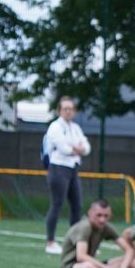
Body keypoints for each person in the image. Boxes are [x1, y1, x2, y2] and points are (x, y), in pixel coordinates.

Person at [43, 96, 91, 255]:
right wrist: (75, 149)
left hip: (73, 169)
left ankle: (75, 243)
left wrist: (77, 148)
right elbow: (63, 148)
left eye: (71, 108)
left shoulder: (76, 128)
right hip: (58, 168)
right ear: (59, 110)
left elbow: (87, 147)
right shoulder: (55, 127)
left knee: (77, 206)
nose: (68, 111)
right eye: (65, 108)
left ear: (75, 111)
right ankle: (50, 242)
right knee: (57, 204)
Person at [57, 199, 135, 268]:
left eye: (106, 216)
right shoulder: (84, 227)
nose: (102, 220)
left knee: (133, 260)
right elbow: (81, 257)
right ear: (90, 213)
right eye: (99, 215)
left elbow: (129, 250)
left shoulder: (106, 227)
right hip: (73, 267)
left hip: (93, 265)